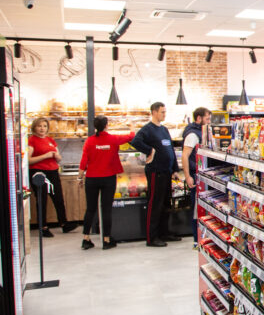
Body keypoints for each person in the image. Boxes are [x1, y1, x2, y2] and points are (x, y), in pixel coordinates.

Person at [78, 117, 135, 250]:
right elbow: (131, 136)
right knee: (106, 209)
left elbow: (84, 161)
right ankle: (107, 240)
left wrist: (79, 178)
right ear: (106, 125)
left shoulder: (89, 141)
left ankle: (86, 239)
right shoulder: (113, 139)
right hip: (108, 178)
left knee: (90, 209)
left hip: (91, 178)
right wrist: (131, 126)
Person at [130, 102, 179, 247]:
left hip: (167, 171)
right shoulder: (147, 129)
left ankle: (164, 233)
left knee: (165, 204)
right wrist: (150, 150)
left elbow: (171, 149)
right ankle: (151, 237)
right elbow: (135, 141)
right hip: (155, 172)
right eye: (162, 112)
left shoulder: (164, 129)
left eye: (165, 111)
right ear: (154, 112)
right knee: (155, 205)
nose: (164, 114)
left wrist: (175, 169)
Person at [27, 117, 78, 237]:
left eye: (44, 126)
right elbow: (28, 160)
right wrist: (45, 156)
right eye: (39, 126)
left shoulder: (50, 140)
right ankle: (43, 227)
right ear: (34, 127)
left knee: (58, 198)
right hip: (39, 173)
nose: (42, 128)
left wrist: (57, 157)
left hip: (53, 171)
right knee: (42, 199)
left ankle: (64, 223)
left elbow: (58, 157)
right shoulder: (31, 140)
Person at [182, 107, 211, 249]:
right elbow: (185, 155)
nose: (209, 121)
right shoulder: (193, 134)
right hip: (195, 175)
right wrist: (188, 176)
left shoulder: (202, 131)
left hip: (201, 174)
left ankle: (203, 239)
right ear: (199, 118)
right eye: (207, 119)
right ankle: (196, 240)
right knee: (196, 210)